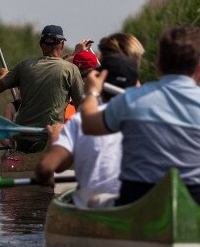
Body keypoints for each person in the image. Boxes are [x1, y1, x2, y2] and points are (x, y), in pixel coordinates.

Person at [79, 25, 200, 213]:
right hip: (199, 206)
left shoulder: (130, 99)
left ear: (159, 65)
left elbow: (88, 124)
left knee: (96, 201)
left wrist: (91, 93)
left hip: (137, 205)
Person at [35, 54, 140, 207]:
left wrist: (55, 140)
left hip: (93, 208)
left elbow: (46, 168)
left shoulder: (79, 120)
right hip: (134, 205)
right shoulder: (147, 119)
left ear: (99, 83)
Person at [0, 25, 85, 152]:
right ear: (62, 44)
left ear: (41, 45)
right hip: (51, 138)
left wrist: (1, 74)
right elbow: (81, 108)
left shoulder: (24, 66)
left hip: (22, 138)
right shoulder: (71, 69)